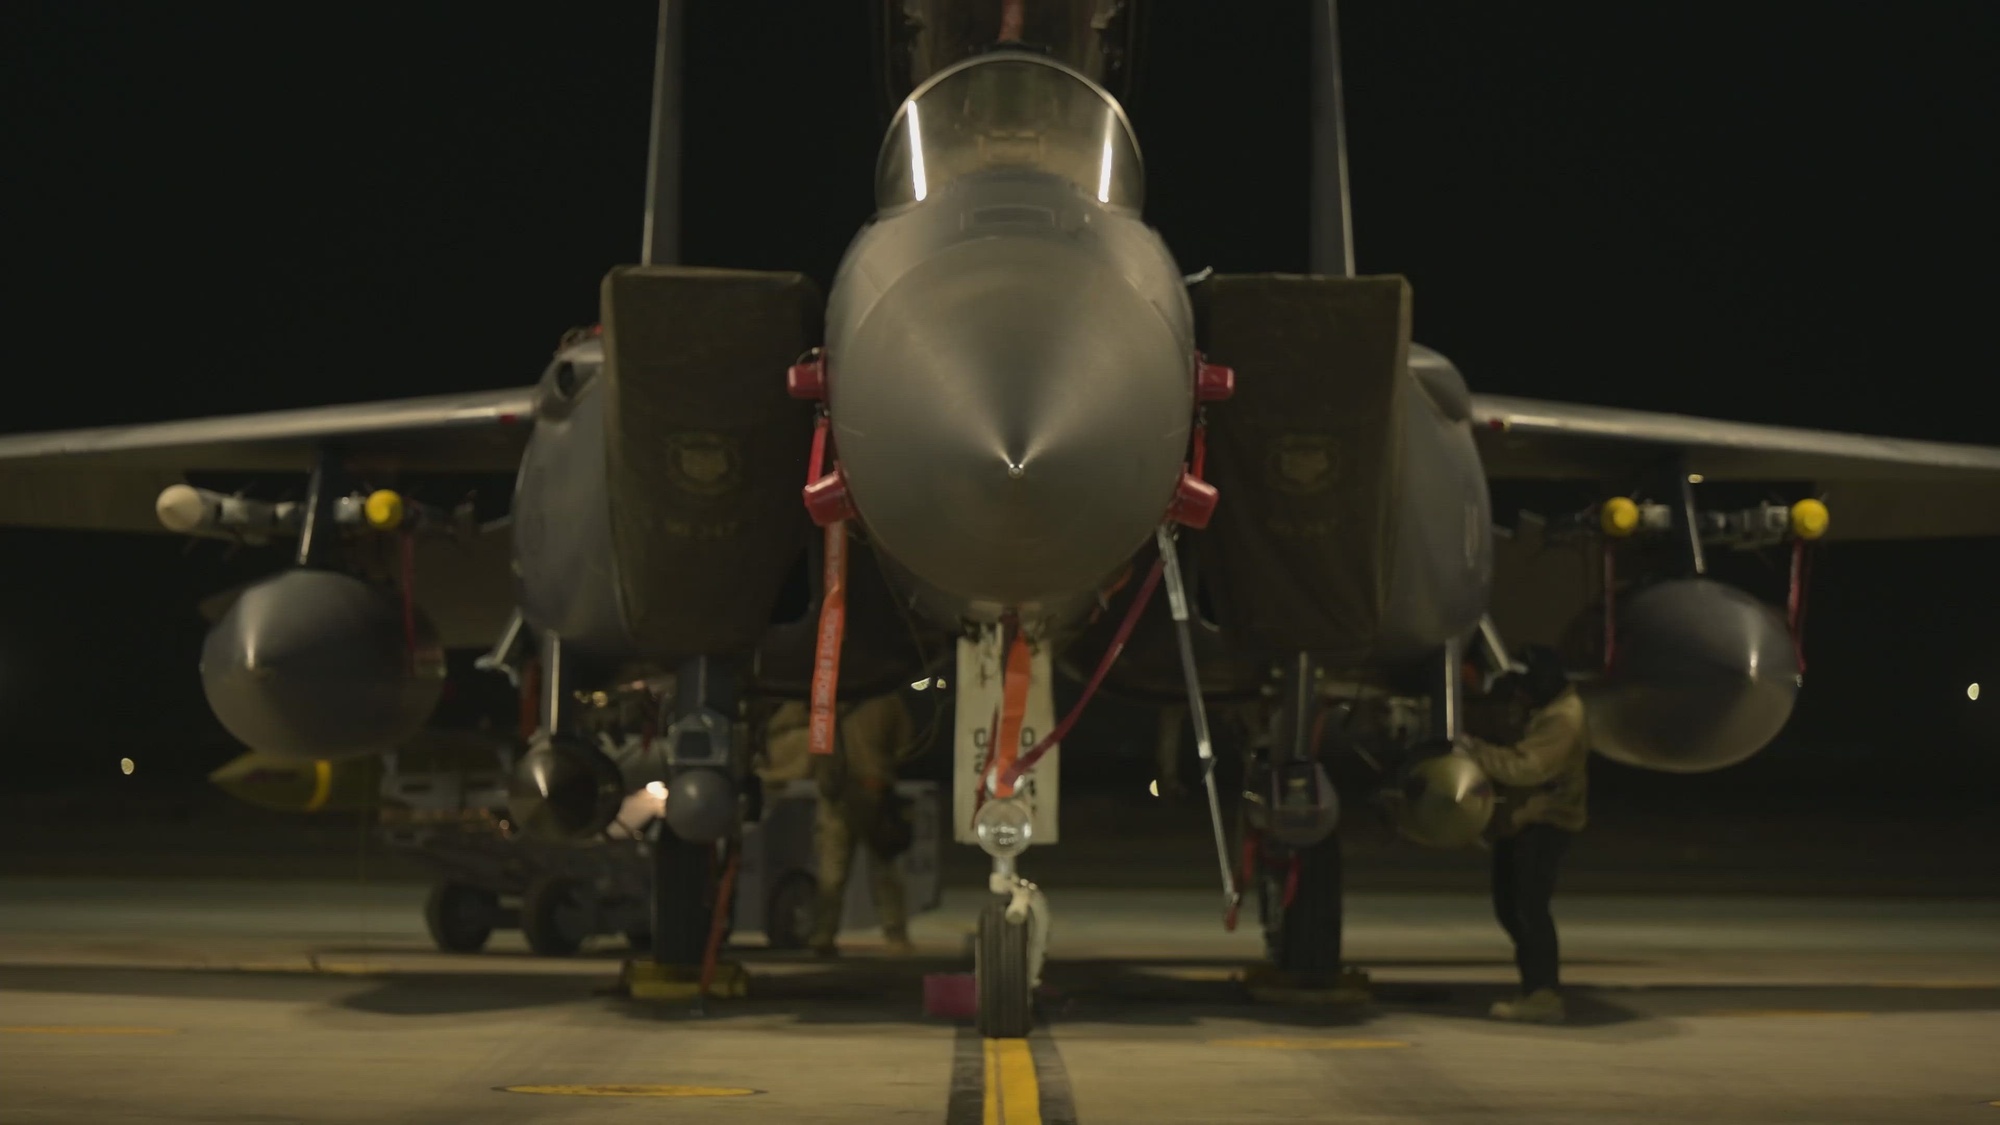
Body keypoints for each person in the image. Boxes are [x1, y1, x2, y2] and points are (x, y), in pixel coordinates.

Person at [1455, 644, 1589, 1024]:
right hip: (1522, 823)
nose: (1519, 693)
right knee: (1511, 907)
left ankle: (1544, 993)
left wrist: (1474, 750)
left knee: (1529, 909)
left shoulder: (1563, 718)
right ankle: (1536, 985)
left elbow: (1526, 768)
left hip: (1545, 824)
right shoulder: (1543, 708)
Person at [762, 691, 917, 958]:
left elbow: (780, 726)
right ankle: (890, 935)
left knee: (837, 871)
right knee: (874, 870)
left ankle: (827, 934)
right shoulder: (883, 697)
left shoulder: (825, 694)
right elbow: (904, 743)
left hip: (842, 793)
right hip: (863, 792)